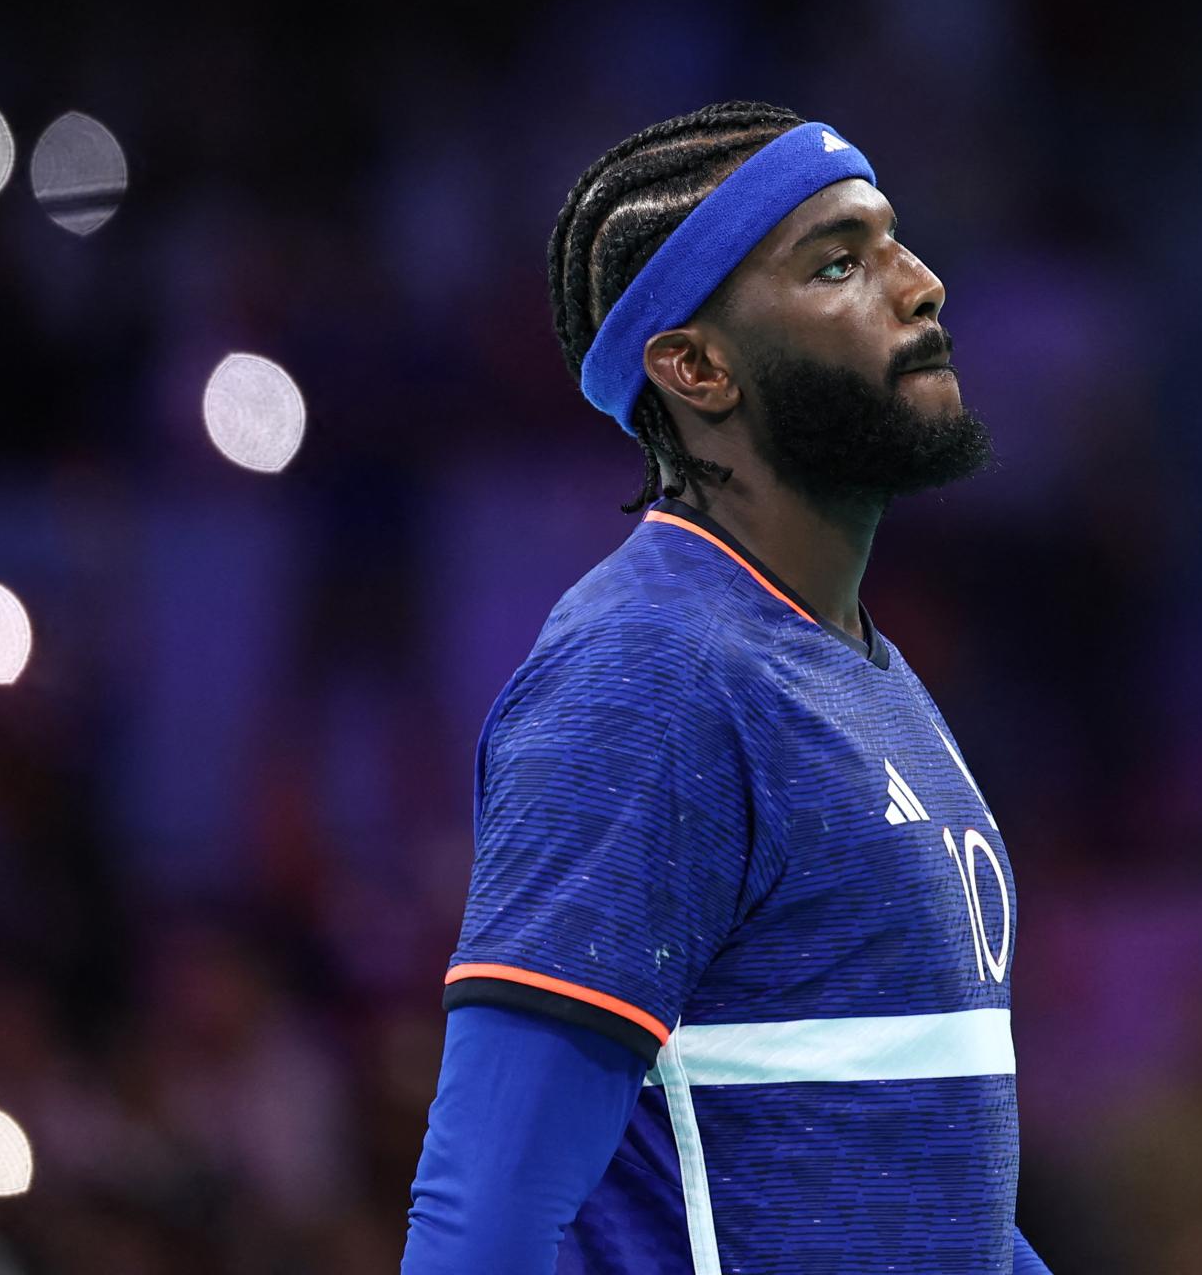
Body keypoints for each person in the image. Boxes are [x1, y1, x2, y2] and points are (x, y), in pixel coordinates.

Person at [401, 102, 1053, 1274]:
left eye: (897, 242)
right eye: (840, 263)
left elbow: (929, 1205)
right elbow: (482, 1213)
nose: (923, 284)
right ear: (696, 365)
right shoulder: (649, 671)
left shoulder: (856, 665)